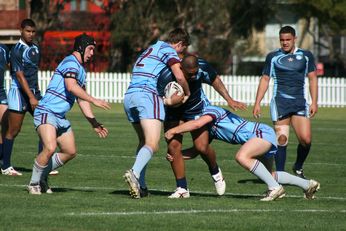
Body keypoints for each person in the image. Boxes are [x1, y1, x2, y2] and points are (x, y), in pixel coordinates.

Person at [165, 105, 320, 201]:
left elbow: (196, 123)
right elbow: (197, 150)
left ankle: (275, 189)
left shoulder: (210, 110)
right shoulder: (206, 127)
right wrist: (177, 155)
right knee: (269, 174)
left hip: (259, 133)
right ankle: (308, 185)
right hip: (259, 135)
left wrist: (173, 130)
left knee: (242, 157)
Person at [27, 33, 110, 194]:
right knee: (50, 148)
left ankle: (42, 176)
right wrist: (95, 100)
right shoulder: (70, 62)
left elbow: (81, 99)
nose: (92, 53)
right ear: (81, 47)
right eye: (91, 49)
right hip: (47, 111)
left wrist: (94, 122)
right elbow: (71, 86)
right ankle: (33, 183)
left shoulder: (81, 70)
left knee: (70, 151)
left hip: (60, 117)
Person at [154, 54, 246, 198]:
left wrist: (229, 99)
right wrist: (170, 102)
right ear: (181, 68)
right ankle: (182, 188)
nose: (194, 76)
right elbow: (156, 98)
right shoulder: (166, 75)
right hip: (173, 112)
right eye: (190, 74)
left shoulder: (202, 67)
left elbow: (215, 80)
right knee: (173, 147)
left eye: (196, 72)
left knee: (201, 147)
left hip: (196, 109)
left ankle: (215, 171)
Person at [123, 28, 191, 199]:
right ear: (180, 44)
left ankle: (141, 185)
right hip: (147, 95)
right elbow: (180, 76)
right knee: (153, 144)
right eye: (183, 50)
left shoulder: (151, 48)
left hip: (130, 96)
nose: (182, 55)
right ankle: (134, 173)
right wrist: (187, 93)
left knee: (143, 141)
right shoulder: (168, 50)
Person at [253, 25, 318, 178]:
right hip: (280, 103)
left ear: (294, 39)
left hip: (299, 103)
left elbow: (313, 78)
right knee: (281, 140)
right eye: (282, 40)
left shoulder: (306, 56)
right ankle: (280, 177)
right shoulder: (273, 57)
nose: (285, 43)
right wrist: (257, 103)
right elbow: (265, 79)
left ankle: (298, 166)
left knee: (306, 140)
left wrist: (314, 102)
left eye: (288, 39)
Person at [1, 19, 41, 176]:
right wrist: (31, 97)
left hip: (33, 93)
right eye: (28, 31)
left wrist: (36, 93)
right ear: (21, 31)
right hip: (19, 94)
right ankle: (6, 166)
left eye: (33, 31)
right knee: (13, 130)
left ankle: (41, 163)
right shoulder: (17, 50)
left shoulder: (36, 48)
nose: (30, 34)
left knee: (46, 124)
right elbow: (19, 76)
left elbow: (34, 72)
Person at [0, 43, 10, 166]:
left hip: (0, 92)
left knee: (6, 123)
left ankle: (2, 157)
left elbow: (11, 66)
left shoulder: (3, 48)